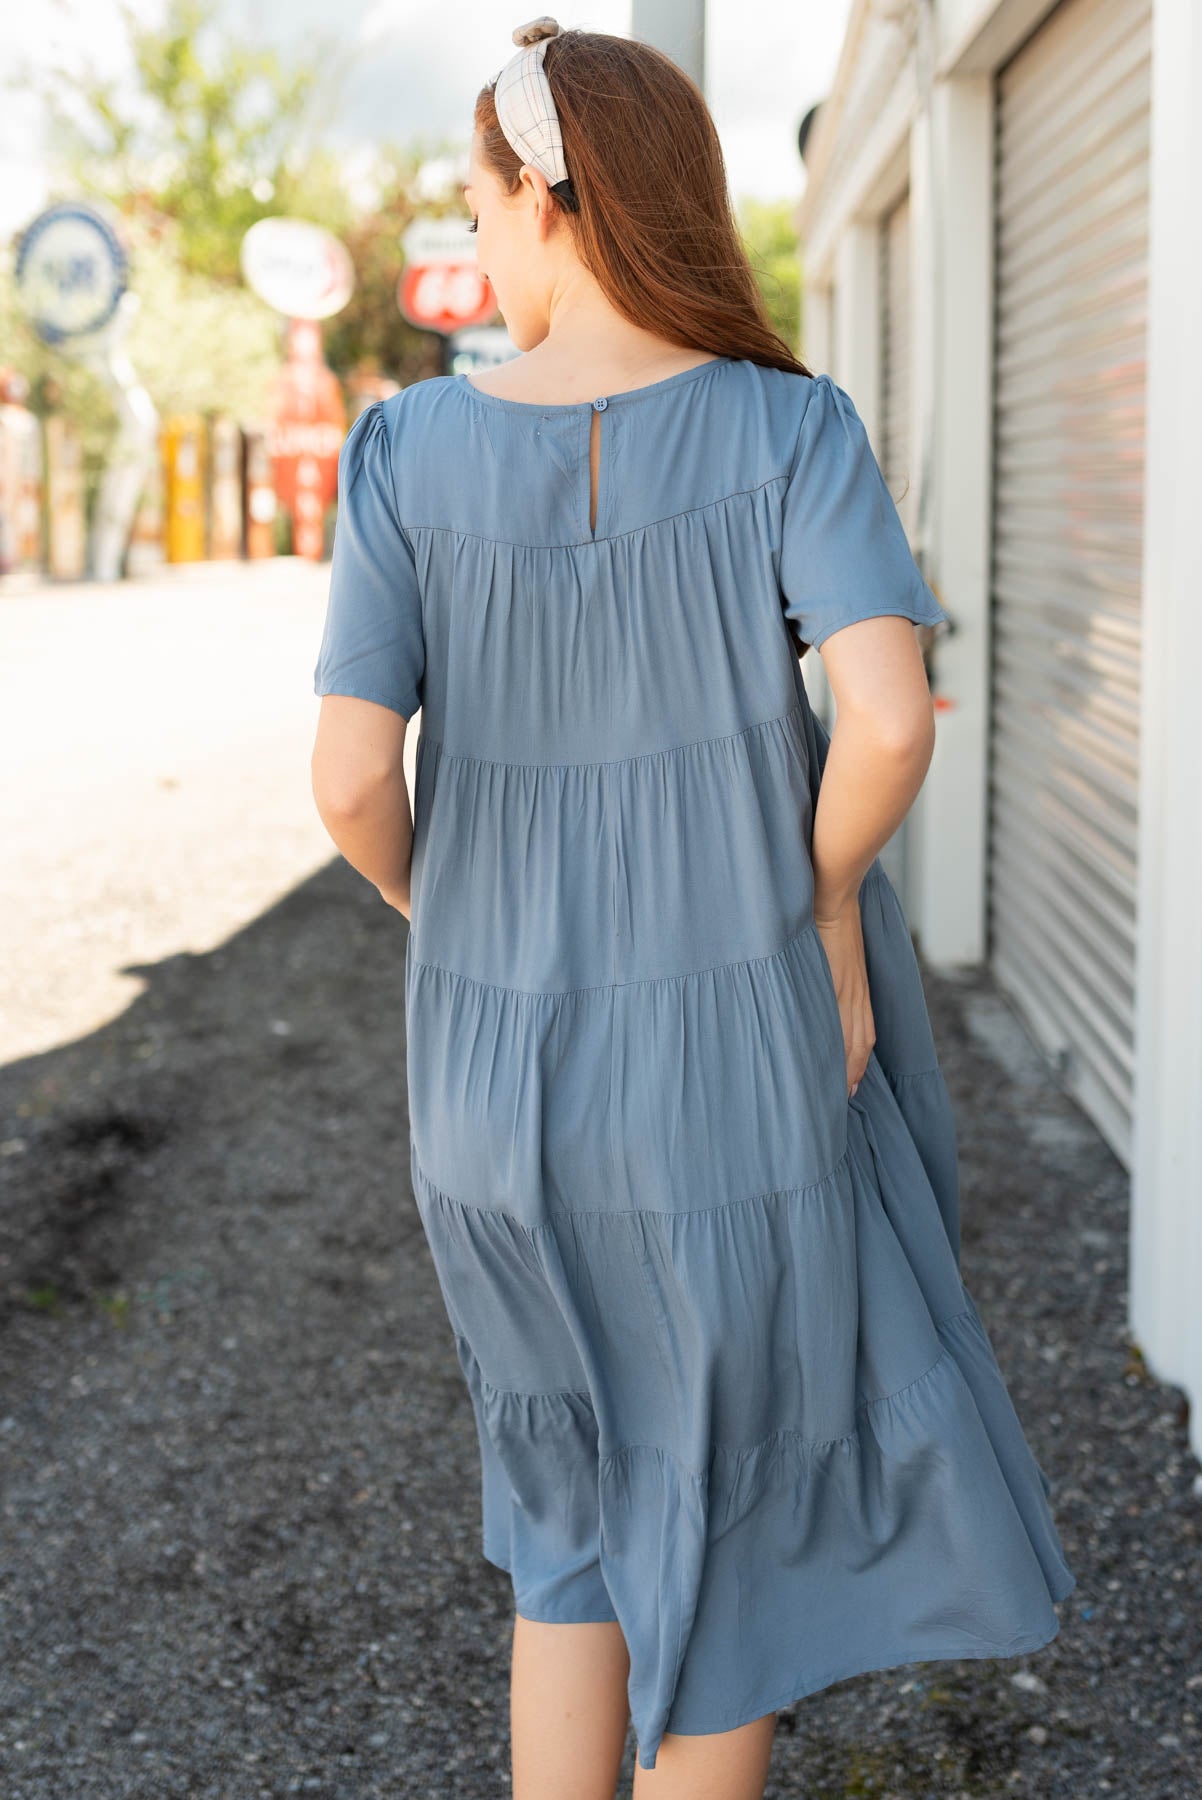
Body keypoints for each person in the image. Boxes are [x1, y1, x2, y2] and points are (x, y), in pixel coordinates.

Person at [309, 19, 1076, 1800]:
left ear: (551, 207)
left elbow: (351, 783)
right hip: (737, 1055)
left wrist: (463, 915)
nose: (477, 246)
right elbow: (888, 717)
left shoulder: (403, 449)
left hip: (494, 1086)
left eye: (478, 207)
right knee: (722, 1510)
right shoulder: (788, 424)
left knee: (564, 1499)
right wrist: (812, 909)